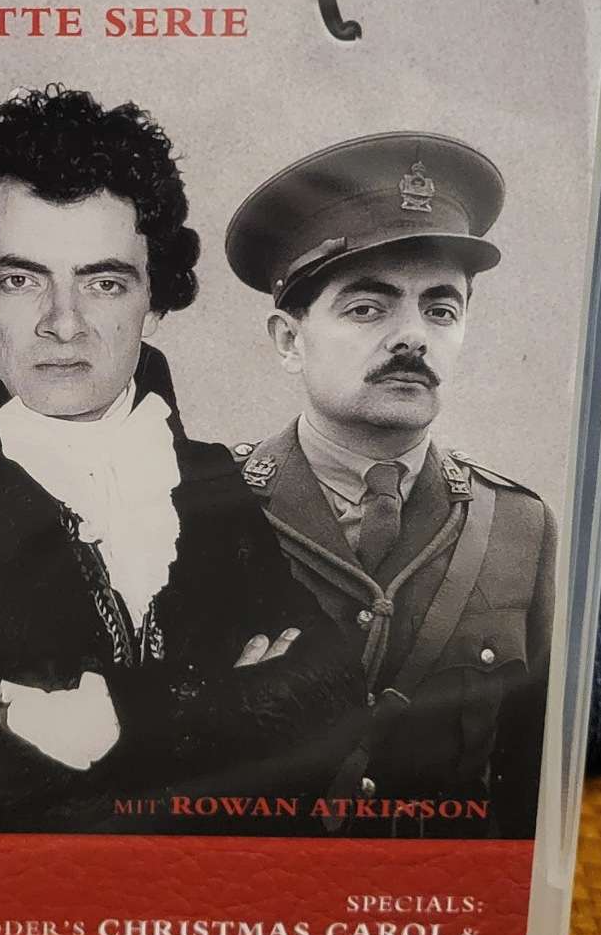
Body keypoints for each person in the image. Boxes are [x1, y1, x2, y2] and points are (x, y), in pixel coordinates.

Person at [0, 86, 359, 832]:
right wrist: (235, 716)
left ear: (155, 301)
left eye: (103, 283)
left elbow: (334, 693)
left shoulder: (206, 475)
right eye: (19, 280)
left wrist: (124, 717)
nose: (64, 324)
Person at [225, 133, 557, 836]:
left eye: (441, 310)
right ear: (289, 340)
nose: (413, 337)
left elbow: (530, 795)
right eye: (368, 308)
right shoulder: (196, 507)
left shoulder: (520, 528)